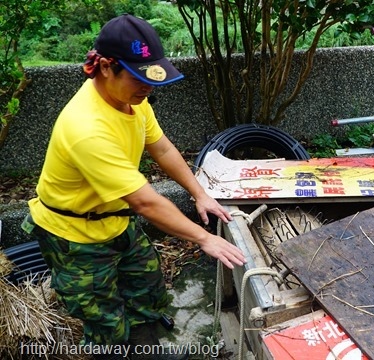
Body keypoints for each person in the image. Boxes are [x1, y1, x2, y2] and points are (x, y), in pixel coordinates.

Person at [21, 14, 246, 360]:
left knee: (146, 285)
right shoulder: (86, 127)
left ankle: (147, 347)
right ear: (106, 68)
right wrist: (204, 238)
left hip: (115, 218)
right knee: (103, 318)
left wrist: (199, 192)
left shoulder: (130, 101)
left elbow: (163, 148)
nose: (148, 88)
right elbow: (145, 203)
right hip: (75, 236)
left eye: (152, 79)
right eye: (139, 79)